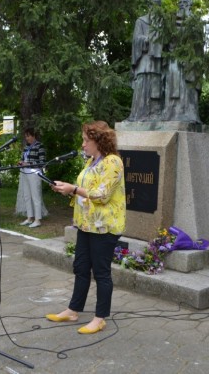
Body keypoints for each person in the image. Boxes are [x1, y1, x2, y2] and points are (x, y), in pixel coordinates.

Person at [45, 121, 126, 334]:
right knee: (81, 268)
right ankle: (73, 310)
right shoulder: (91, 161)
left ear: (98, 141)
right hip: (86, 225)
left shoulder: (113, 162)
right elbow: (84, 190)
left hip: (104, 227)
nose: (82, 145)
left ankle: (100, 318)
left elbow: (102, 194)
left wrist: (73, 189)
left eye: (85, 140)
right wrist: (66, 190)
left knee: (101, 272)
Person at [127, 0, 164, 121]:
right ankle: (139, 113)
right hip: (144, 59)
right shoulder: (141, 21)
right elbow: (136, 39)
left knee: (156, 86)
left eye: (157, 6)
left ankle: (154, 113)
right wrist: (146, 39)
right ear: (149, 6)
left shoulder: (162, 24)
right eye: (152, 5)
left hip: (157, 61)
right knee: (142, 85)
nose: (154, 8)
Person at [17, 128, 46, 228]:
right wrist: (21, 162)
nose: (27, 138)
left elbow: (42, 162)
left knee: (35, 196)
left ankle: (38, 219)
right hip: (25, 172)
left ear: (34, 136)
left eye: (28, 136)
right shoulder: (26, 147)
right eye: (26, 136)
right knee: (27, 196)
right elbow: (23, 158)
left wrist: (28, 163)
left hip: (34, 173)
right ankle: (30, 218)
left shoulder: (39, 146)